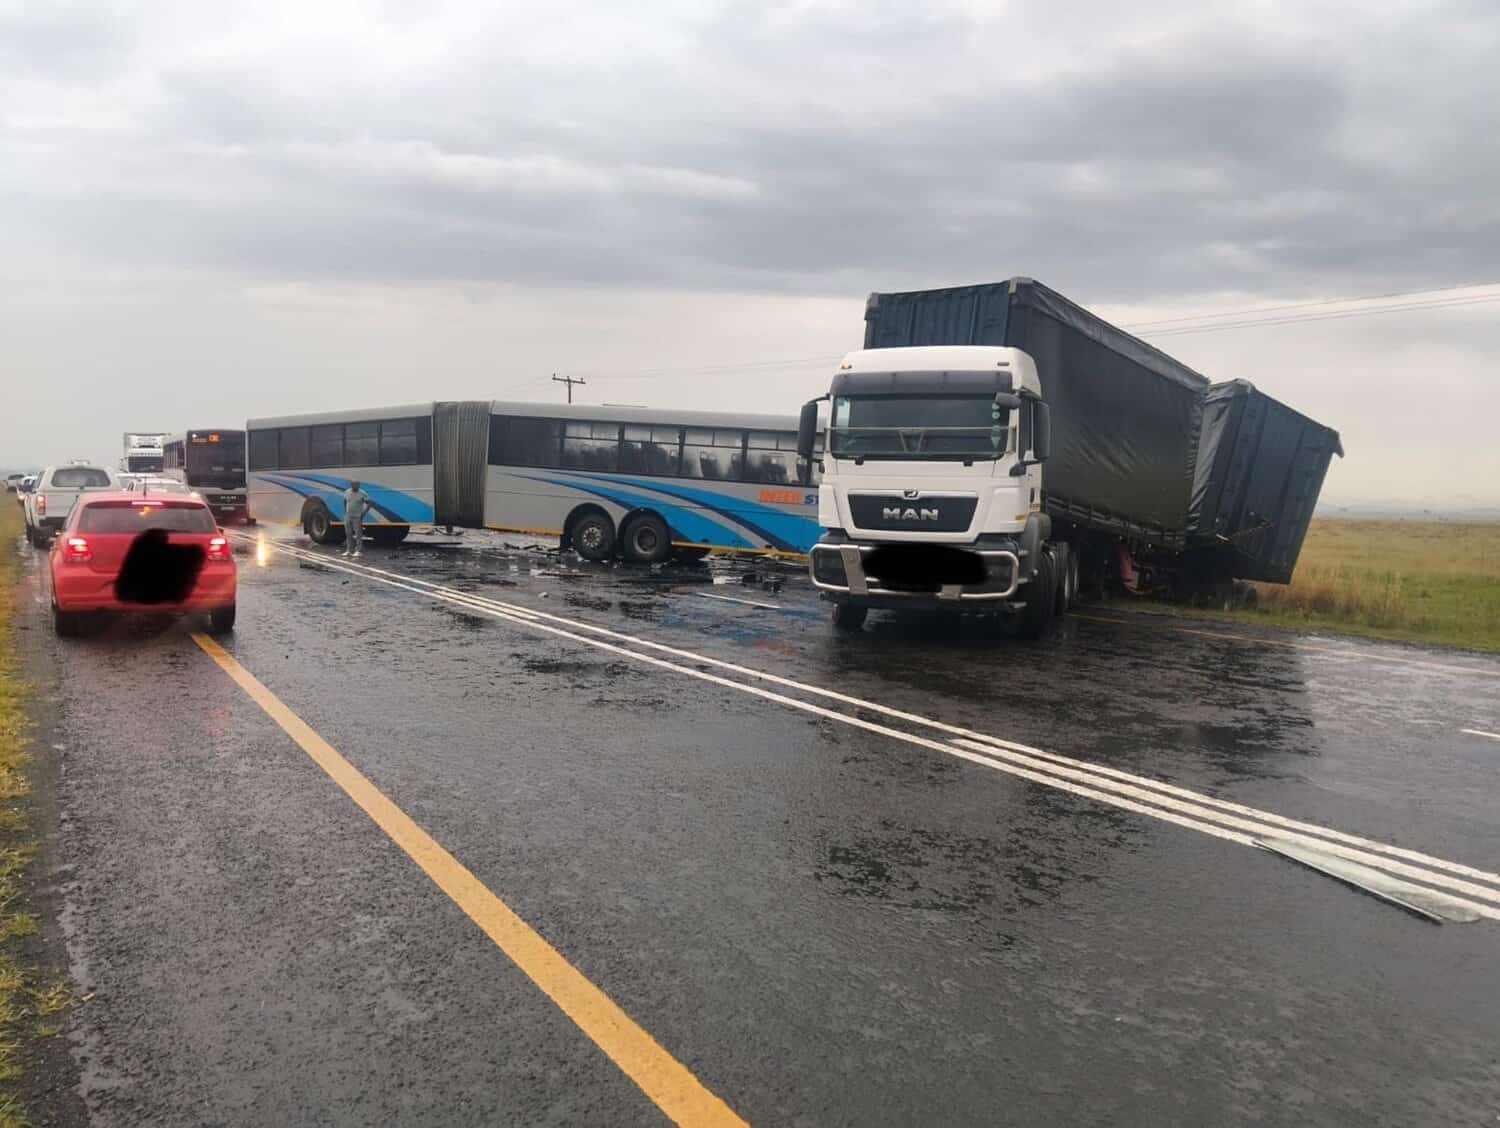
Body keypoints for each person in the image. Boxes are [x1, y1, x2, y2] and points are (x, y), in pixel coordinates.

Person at [341, 480, 373, 557]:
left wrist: (363, 513)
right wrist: (345, 511)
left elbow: (369, 503)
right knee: (348, 533)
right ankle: (349, 550)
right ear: (351, 485)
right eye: (354, 485)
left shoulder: (362, 493)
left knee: (358, 533)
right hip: (348, 516)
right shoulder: (347, 492)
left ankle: (358, 550)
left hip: (357, 516)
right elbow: (345, 501)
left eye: (357, 485)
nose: (356, 486)